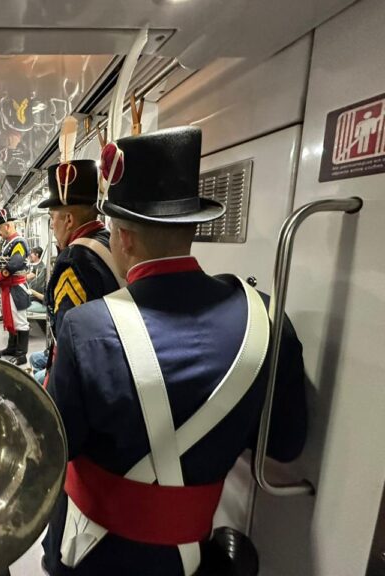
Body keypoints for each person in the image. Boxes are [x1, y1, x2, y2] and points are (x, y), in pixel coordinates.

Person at [43, 127, 307, 576]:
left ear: (124, 238)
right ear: (191, 226)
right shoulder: (267, 320)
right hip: (187, 557)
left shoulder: (86, 329)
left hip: (91, 554)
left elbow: (56, 448)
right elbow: (285, 444)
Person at [40, 158, 122, 341]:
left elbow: (69, 338)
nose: (52, 225)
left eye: (52, 217)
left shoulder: (73, 262)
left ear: (69, 220)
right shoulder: (108, 239)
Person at [0, 208, 31, 365]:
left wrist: (2, 274)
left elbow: (16, 262)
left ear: (7, 226)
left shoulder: (19, 242)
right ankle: (12, 347)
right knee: (12, 319)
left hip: (16, 288)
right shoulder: (9, 242)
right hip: (9, 287)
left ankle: (21, 354)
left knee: (20, 321)